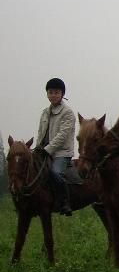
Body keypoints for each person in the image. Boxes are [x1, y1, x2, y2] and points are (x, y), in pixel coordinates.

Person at [35, 78, 76, 215]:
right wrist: (37, 149)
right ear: (47, 94)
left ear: (62, 94)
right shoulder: (45, 112)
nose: (53, 95)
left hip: (61, 152)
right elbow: (41, 133)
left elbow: (63, 135)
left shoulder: (67, 112)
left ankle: (65, 202)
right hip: (44, 150)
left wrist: (48, 149)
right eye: (51, 92)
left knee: (55, 173)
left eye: (56, 92)